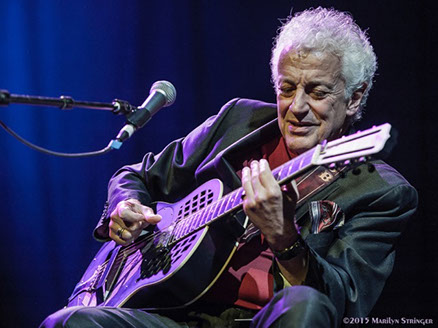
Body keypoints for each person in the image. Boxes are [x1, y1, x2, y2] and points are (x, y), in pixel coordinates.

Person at [41, 7, 417, 328]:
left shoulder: (380, 191)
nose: (297, 107)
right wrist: (126, 206)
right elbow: (135, 176)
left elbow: (342, 304)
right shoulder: (237, 122)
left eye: (317, 92)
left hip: (262, 319)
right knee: (70, 321)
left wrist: (283, 235)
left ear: (355, 98)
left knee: (306, 306)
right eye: (287, 89)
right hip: (168, 313)